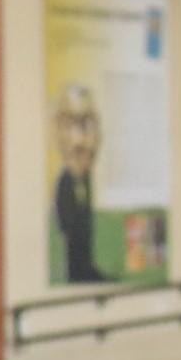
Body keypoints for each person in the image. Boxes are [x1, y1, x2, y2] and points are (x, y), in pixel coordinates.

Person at [52, 83, 108, 284]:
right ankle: (79, 270)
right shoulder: (65, 183)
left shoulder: (87, 180)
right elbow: (64, 223)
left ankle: (86, 267)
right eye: (70, 124)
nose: (80, 141)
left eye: (87, 123)